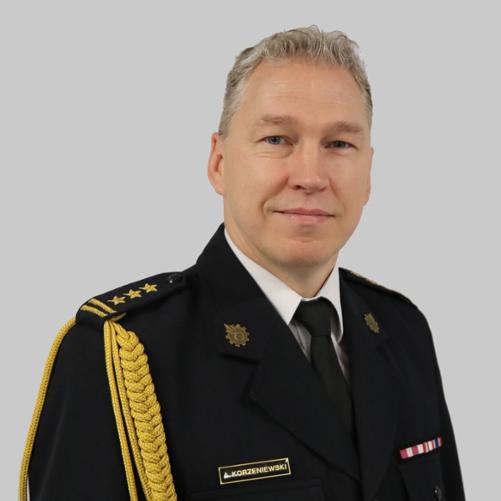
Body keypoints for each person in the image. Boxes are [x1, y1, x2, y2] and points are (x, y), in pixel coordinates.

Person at [19, 25, 466, 501]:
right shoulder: (121, 354)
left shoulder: (402, 332)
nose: (311, 176)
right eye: (276, 139)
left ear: (369, 172)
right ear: (219, 163)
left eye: (339, 144)